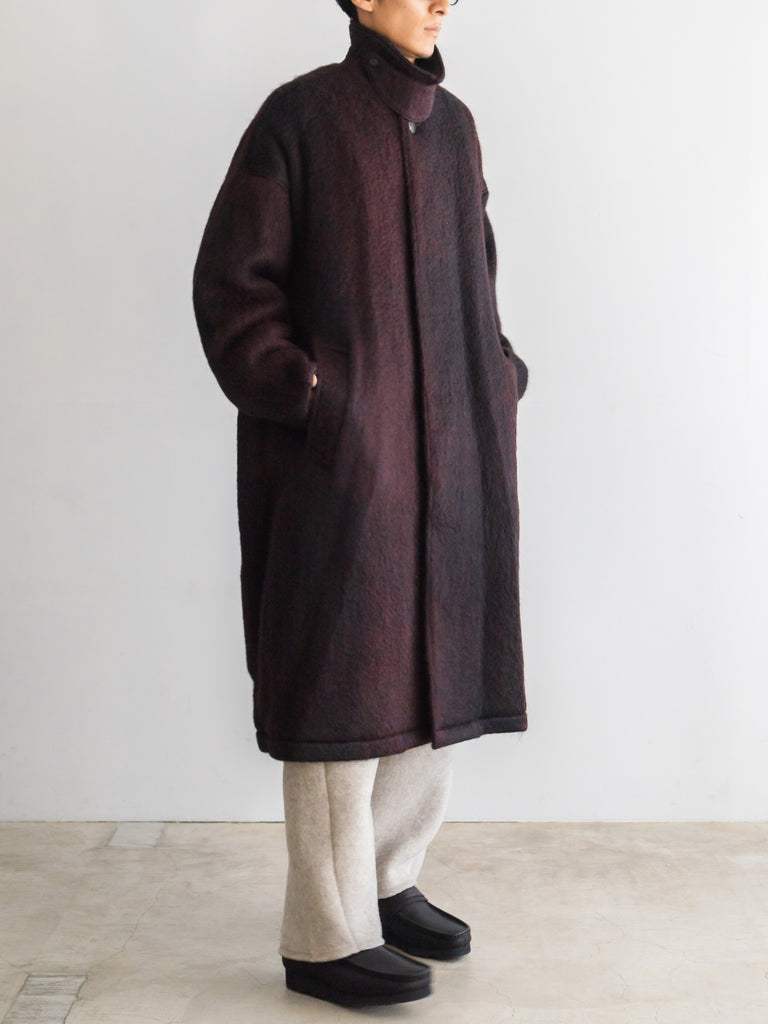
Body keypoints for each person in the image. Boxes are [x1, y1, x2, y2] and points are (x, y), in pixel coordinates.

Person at [193, 0, 528, 1008]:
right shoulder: (298, 118)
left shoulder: (455, 126)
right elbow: (232, 286)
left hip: (451, 449)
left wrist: (496, 373)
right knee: (341, 683)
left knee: (430, 669)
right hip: (344, 462)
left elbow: (478, 276)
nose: (442, 1)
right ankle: (325, 933)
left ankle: (388, 879)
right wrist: (311, 394)